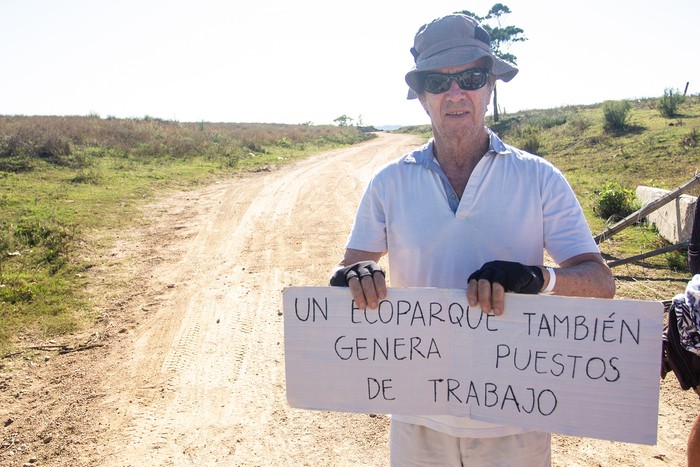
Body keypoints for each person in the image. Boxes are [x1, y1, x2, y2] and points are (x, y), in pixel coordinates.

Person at [329, 12, 615, 467]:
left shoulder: (540, 178)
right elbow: (349, 269)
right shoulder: (389, 183)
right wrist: (353, 275)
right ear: (421, 97)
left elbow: (600, 283)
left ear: (490, 86)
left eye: (471, 76)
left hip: (515, 420)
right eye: (437, 82)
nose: (455, 93)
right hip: (418, 415)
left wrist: (535, 278)